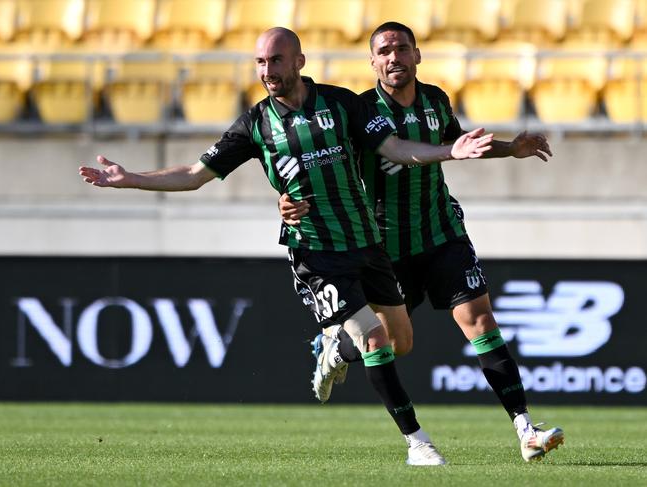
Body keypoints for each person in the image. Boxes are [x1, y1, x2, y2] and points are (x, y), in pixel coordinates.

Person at [79, 27, 495, 466]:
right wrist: (132, 179)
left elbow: (394, 147)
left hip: (367, 242)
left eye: (276, 60)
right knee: (375, 340)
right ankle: (417, 442)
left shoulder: (341, 103)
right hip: (315, 251)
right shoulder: (254, 124)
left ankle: (334, 347)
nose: (267, 70)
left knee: (400, 342)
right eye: (260, 62)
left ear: (299, 61)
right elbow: (195, 174)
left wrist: (450, 151)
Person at [279, 22, 564, 463]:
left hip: (442, 232)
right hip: (386, 247)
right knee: (397, 345)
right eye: (384, 51)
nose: (394, 57)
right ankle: (336, 346)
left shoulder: (435, 100)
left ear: (417, 55)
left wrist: (511, 148)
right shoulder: (359, 110)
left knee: (480, 320)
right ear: (372, 63)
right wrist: (291, 201)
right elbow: (323, 164)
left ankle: (525, 429)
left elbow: (457, 144)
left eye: (401, 48)